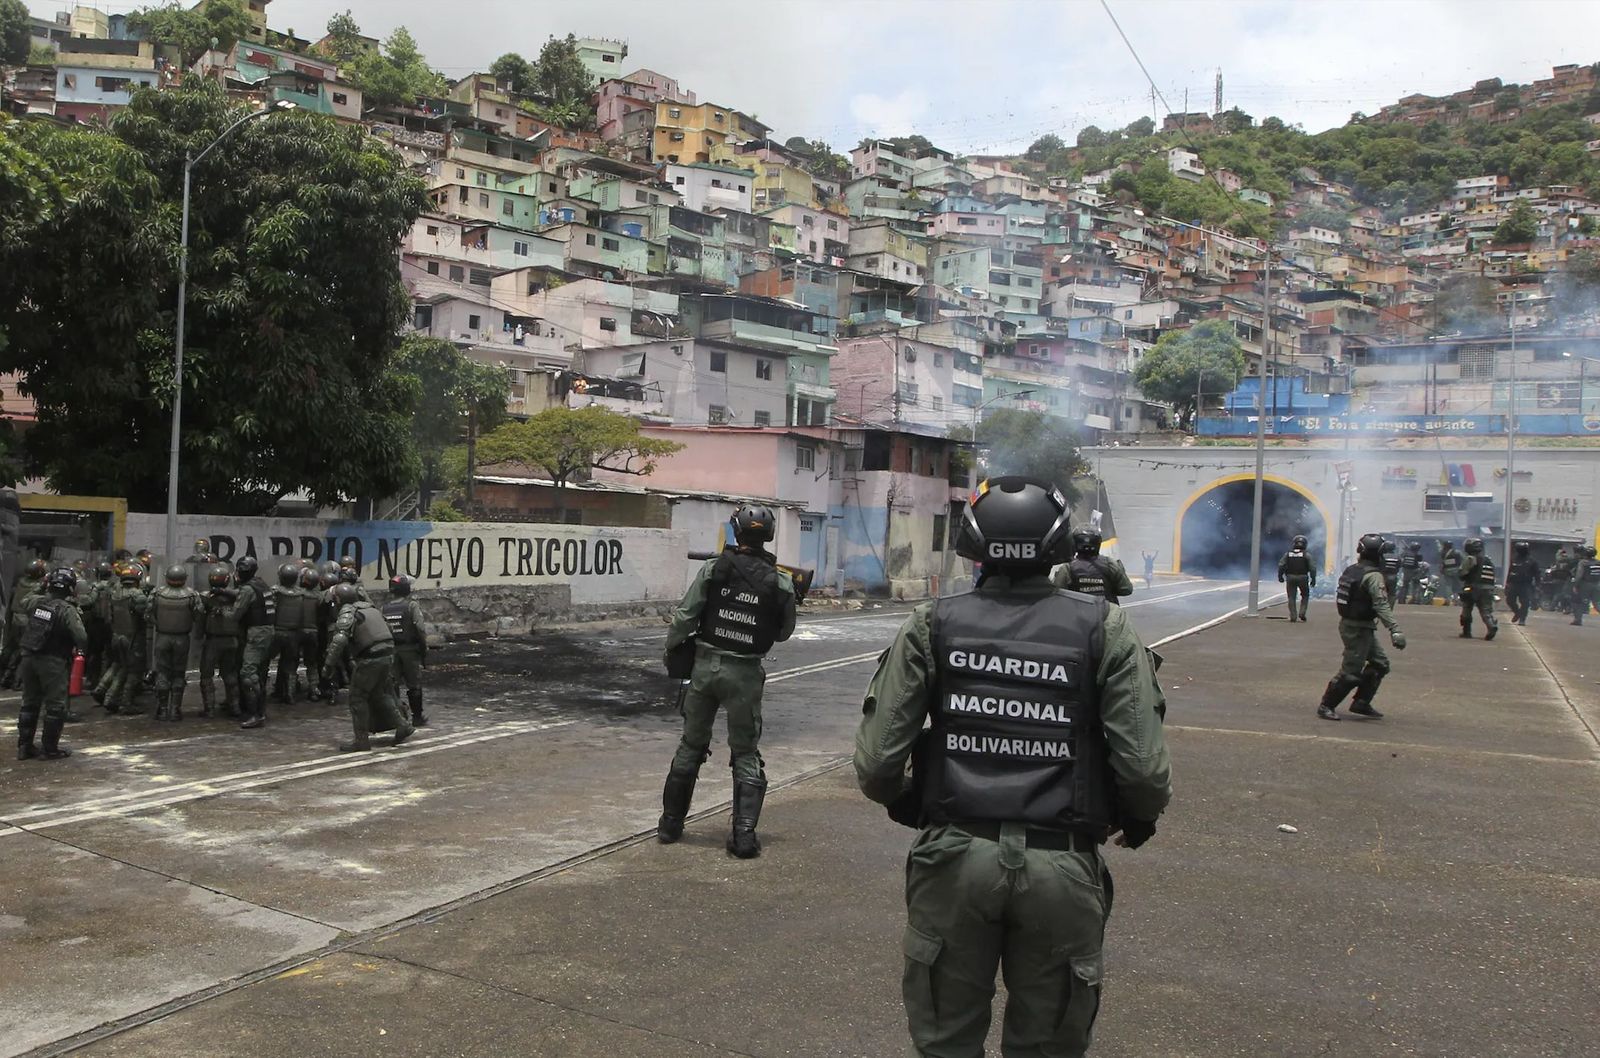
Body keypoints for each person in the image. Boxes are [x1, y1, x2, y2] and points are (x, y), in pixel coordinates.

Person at [854, 475, 1171, 1058]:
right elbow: (1144, 769)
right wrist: (1140, 815)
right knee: (1050, 1042)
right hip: (1062, 862)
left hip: (952, 857)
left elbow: (877, 762)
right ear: (1056, 546)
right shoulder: (1106, 626)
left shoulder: (932, 624)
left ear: (974, 546)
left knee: (946, 1040)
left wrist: (903, 798)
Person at [657, 504, 797, 858]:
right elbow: (783, 633)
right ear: (768, 536)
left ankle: (670, 825)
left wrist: (673, 653)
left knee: (691, 745)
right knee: (746, 752)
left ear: (736, 531)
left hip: (704, 670)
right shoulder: (780, 582)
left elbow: (684, 619)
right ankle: (744, 836)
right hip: (745, 674)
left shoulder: (713, 569)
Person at [1319, 533, 1406, 721]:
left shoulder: (1351, 570)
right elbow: (1381, 604)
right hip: (1357, 628)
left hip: (1357, 625)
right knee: (1351, 671)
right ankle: (1326, 705)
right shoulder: (1373, 576)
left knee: (1380, 664)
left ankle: (1361, 702)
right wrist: (1394, 629)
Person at [322, 582, 414, 753]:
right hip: (387, 655)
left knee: (357, 698)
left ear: (339, 599)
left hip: (369, 658)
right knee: (379, 694)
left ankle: (361, 740)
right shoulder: (372, 608)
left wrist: (328, 665)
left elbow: (339, 640)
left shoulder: (349, 612)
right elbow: (390, 630)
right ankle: (403, 725)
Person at [16, 568, 89, 761]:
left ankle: (24, 747)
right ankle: (49, 749)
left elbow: (24, 601)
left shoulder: (36, 602)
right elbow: (81, 636)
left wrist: (42, 584)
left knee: (29, 702)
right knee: (56, 706)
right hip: (53, 661)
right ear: (71, 588)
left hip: (29, 657)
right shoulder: (67, 610)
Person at [148, 564, 206, 721]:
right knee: (179, 673)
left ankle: (162, 709)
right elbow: (199, 615)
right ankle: (175, 710)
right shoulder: (191, 595)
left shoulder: (157, 593)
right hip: (182, 638)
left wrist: (159, 624)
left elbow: (148, 615)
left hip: (162, 637)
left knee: (163, 673)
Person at [230, 555, 277, 729]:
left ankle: (255, 714)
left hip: (256, 633)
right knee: (261, 672)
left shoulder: (247, 589)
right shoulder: (262, 584)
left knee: (248, 673)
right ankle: (260, 711)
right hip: (268, 631)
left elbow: (236, 614)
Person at [383, 574, 429, 728]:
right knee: (414, 684)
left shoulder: (385, 608)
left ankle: (399, 717)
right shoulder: (411, 606)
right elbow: (420, 628)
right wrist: (424, 648)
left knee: (393, 684)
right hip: (409, 650)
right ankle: (417, 717)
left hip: (392, 650)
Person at [200, 566, 243, 717]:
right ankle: (235, 707)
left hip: (213, 641)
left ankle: (209, 709)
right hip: (231, 640)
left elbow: (199, 617)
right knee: (230, 674)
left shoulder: (205, 597)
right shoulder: (236, 597)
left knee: (206, 675)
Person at [1050, 528, 1133, 604]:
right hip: (1106, 614)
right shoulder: (1110, 564)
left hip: (1078, 615)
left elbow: (1056, 594)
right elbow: (1126, 590)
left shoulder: (1067, 568)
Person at [1, 558, 49, 689]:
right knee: (25, 653)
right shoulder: (36, 587)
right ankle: (17, 682)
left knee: (11, 649)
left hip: (15, 620)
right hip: (26, 621)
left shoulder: (20, 582)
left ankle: (4, 677)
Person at [1457, 538, 1498, 641]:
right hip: (1488, 589)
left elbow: (1462, 573)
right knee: (1485, 611)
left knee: (1466, 609)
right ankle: (1491, 625)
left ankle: (1466, 632)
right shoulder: (1488, 560)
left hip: (1472, 587)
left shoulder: (1470, 559)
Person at [1277, 534, 1316, 622]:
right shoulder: (1307, 555)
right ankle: (1302, 613)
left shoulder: (1288, 554)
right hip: (1303, 577)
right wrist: (1313, 579)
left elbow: (1281, 565)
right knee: (1305, 595)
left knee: (1291, 597)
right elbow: (1313, 568)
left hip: (1290, 577)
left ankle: (1293, 615)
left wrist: (1280, 576)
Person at [1504, 541, 1539, 626]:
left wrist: (1538, 585)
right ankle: (1517, 613)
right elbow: (1510, 571)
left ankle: (1522, 619)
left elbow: (1537, 574)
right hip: (1514, 583)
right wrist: (1507, 583)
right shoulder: (1514, 559)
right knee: (1509, 600)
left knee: (1525, 603)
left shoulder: (1531, 561)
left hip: (1525, 584)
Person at [1570, 545, 1599, 627]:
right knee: (1597, 603)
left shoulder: (1583, 562)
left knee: (1578, 601)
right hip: (1597, 585)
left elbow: (1579, 575)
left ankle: (1578, 620)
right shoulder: (1598, 562)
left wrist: (1575, 585)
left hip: (1585, 585)